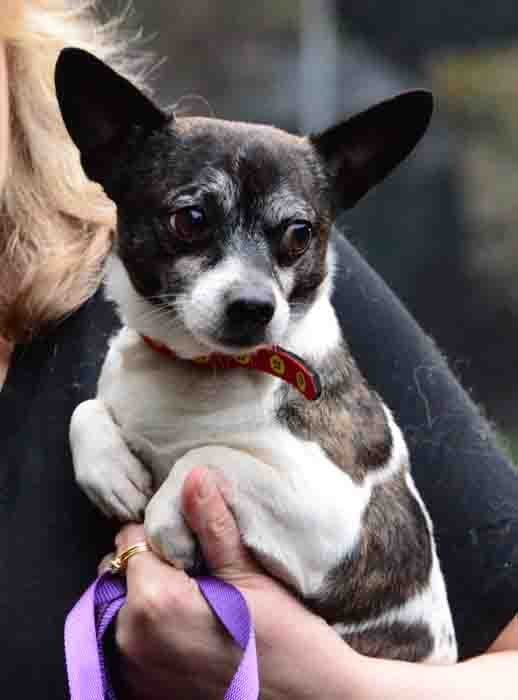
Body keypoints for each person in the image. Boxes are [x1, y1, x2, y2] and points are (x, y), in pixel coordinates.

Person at [0, 1, 517, 698]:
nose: (251, 291)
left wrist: (330, 681)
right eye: (193, 223)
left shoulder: (319, 356)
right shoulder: (126, 359)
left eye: (293, 239)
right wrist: (93, 430)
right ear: (111, 160)